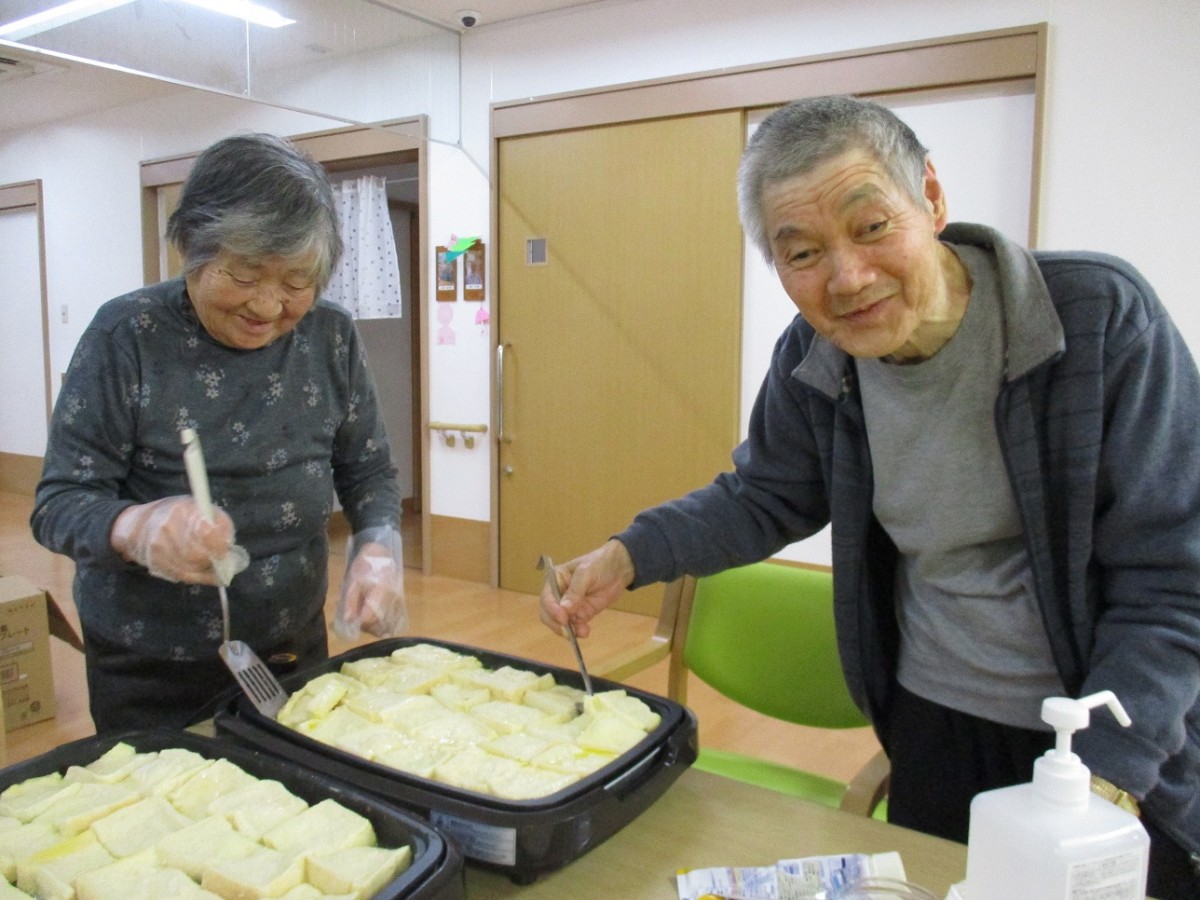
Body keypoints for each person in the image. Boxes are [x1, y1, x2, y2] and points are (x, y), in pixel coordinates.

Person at [539, 96, 1200, 898]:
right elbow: (765, 495)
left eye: (872, 226)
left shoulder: (1096, 320)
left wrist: (1104, 777)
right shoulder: (816, 358)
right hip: (933, 720)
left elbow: (1175, 580)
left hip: (1104, 737)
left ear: (931, 198)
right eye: (802, 253)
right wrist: (629, 553)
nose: (848, 278)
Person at [31, 132, 408, 731]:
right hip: (150, 663)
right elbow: (58, 503)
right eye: (245, 275)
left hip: (290, 647)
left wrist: (378, 549)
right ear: (191, 247)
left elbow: (367, 470)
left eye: (296, 283)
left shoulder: (329, 335)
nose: (269, 306)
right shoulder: (126, 336)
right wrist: (136, 527)